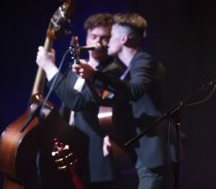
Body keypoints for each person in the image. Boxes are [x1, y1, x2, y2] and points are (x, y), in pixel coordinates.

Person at [75, 12, 179, 189]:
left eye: (111, 36)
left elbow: (135, 91)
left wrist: (96, 75)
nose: (106, 42)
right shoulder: (129, 70)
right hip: (145, 155)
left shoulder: (143, 60)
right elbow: (121, 106)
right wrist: (113, 136)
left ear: (123, 39)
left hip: (156, 153)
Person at [36, 13, 125, 189]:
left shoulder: (112, 72)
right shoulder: (76, 66)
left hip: (95, 156)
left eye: (104, 38)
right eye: (94, 37)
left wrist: (50, 68)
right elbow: (66, 103)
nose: (98, 43)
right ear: (86, 37)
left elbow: (79, 103)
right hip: (74, 148)